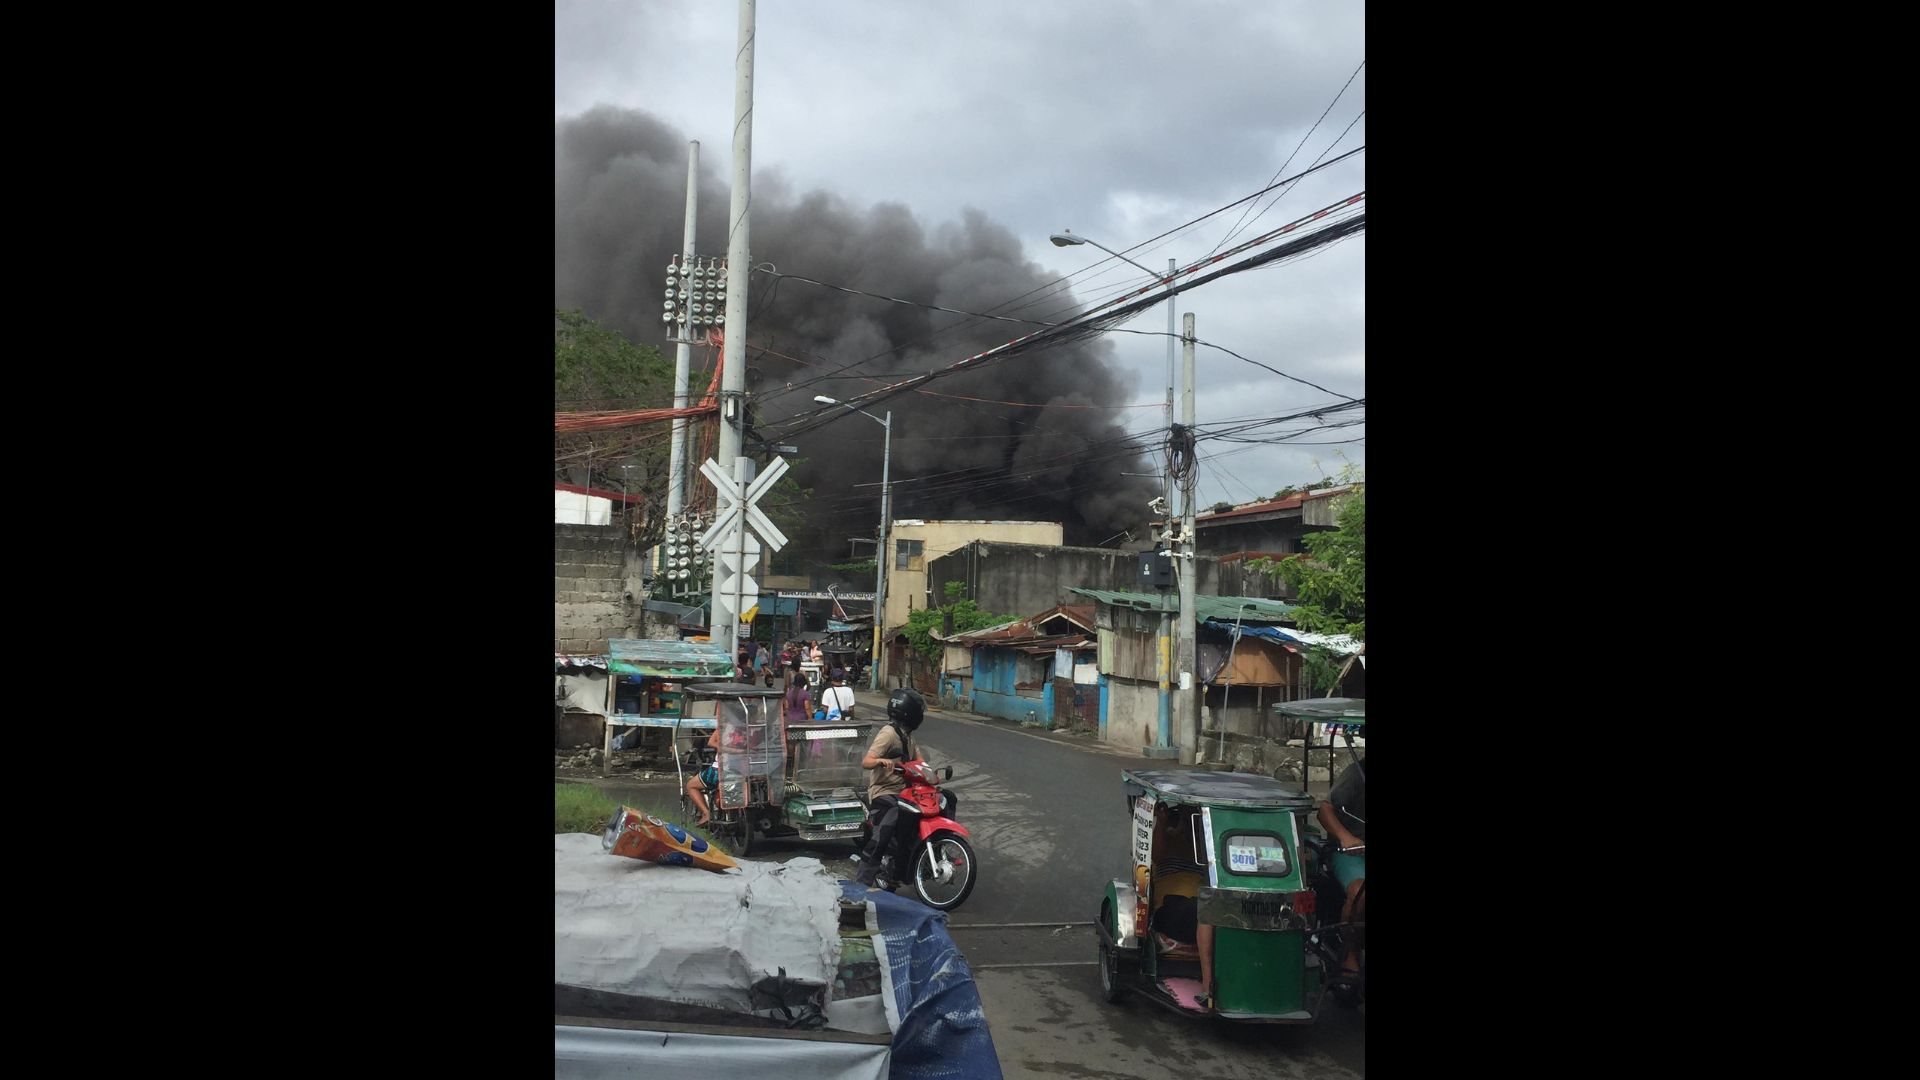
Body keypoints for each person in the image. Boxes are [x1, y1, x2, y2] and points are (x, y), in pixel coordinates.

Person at [853, 688, 927, 887]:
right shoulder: (888, 733)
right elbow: (866, 761)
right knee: (892, 815)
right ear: (909, 712)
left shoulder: (908, 736)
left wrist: (931, 773)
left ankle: (915, 861)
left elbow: (920, 762)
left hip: (905, 792)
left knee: (944, 799)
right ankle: (863, 879)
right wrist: (881, 760)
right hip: (884, 792)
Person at [1316, 753, 1366, 986]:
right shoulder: (1358, 773)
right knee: (1360, 892)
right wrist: (1346, 838)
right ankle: (1349, 953)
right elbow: (1325, 810)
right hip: (1353, 851)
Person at [684, 726, 723, 827]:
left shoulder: (725, 726)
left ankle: (706, 813)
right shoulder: (752, 727)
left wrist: (727, 749)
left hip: (720, 770)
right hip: (746, 770)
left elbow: (711, 742)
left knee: (691, 785)